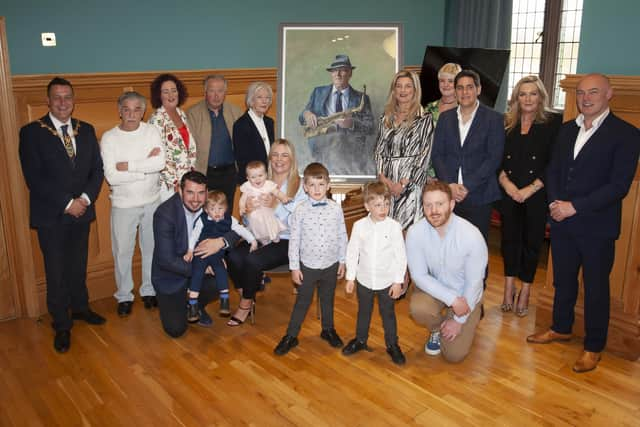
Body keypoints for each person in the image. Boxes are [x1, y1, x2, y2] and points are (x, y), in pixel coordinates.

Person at [527, 73, 640, 373]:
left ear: (609, 95)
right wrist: (555, 203)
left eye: (593, 92)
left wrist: (574, 207)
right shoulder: (565, 130)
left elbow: (618, 186)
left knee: (595, 288)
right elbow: (552, 170)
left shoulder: (626, 134)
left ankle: (593, 347)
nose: (585, 98)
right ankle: (560, 327)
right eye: (580, 93)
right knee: (563, 281)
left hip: (596, 227)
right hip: (561, 222)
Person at [19, 77, 105, 353]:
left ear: (73, 100)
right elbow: (35, 177)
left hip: (82, 211)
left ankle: (80, 308)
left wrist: (85, 200)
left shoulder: (87, 130)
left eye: (67, 97)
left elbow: (97, 171)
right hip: (52, 215)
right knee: (55, 271)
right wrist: (67, 203)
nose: (62, 102)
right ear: (48, 101)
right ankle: (61, 323)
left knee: (78, 265)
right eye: (57, 97)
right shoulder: (32, 132)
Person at [431, 69, 505, 299]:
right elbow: (438, 155)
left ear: (479, 90)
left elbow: (493, 158)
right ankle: (452, 297)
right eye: (460, 87)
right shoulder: (445, 118)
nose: (464, 92)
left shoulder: (493, 119)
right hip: (449, 197)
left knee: (476, 251)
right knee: (450, 249)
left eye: (469, 87)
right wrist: (451, 185)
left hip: (479, 196)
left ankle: (474, 301)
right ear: (455, 91)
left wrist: (467, 185)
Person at [498, 76, 562, 317]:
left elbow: (555, 163)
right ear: (516, 98)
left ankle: (525, 289)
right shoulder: (506, 123)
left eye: (533, 94)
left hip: (536, 193)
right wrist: (506, 183)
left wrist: (531, 188)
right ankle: (508, 287)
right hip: (509, 191)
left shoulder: (553, 123)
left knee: (532, 243)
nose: (527, 98)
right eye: (523, 94)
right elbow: (497, 157)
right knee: (509, 241)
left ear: (541, 97)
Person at [225, 139, 307, 326]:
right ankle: (247, 293)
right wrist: (248, 211)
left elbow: (303, 220)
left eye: (284, 155)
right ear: (270, 158)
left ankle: (245, 305)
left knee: (253, 260)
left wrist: (277, 205)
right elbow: (247, 222)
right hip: (260, 235)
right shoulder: (258, 181)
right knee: (233, 256)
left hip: (285, 239)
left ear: (292, 159)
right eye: (275, 154)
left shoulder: (300, 185)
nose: (279, 159)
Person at [151, 171, 240, 337]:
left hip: (198, 269)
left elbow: (235, 231)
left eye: (200, 193)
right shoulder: (164, 214)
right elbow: (166, 260)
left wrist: (221, 242)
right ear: (179, 190)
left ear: (207, 193)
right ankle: (179, 303)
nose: (196, 199)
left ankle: (195, 304)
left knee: (219, 277)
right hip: (171, 276)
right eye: (190, 192)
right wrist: (204, 269)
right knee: (176, 330)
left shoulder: (211, 206)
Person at [407, 181, 487, 363]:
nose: (434, 210)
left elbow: (474, 283)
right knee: (418, 309)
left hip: (466, 296)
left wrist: (459, 321)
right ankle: (436, 329)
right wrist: (451, 299)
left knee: (454, 355)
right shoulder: (415, 232)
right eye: (428, 205)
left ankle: (471, 315)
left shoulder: (471, 235)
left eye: (440, 204)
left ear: (451, 204)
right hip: (436, 290)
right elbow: (419, 276)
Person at [101, 91, 165, 316]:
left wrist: (127, 166)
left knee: (151, 248)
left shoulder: (151, 131)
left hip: (152, 201)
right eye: (126, 109)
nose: (131, 114)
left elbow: (160, 163)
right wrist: (143, 168)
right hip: (123, 204)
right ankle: (124, 295)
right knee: (123, 252)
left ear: (143, 111)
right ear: (119, 111)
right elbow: (112, 176)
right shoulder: (109, 138)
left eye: (137, 109)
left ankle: (149, 290)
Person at [274, 163, 347, 356]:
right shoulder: (300, 210)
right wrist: (294, 267)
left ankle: (328, 329)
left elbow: (342, 234)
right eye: (312, 185)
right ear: (305, 186)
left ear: (328, 185)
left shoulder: (335, 209)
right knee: (302, 302)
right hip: (308, 266)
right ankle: (291, 335)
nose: (316, 189)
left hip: (331, 264)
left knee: (327, 299)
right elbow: (294, 240)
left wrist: (342, 260)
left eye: (321, 184)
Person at [342, 181, 407, 365]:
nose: (383, 208)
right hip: (364, 280)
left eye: (386, 203)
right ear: (367, 206)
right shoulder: (359, 226)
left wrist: (397, 281)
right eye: (378, 205)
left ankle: (392, 345)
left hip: (387, 282)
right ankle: (360, 340)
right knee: (364, 311)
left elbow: (401, 256)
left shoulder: (394, 227)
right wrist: (350, 277)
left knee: (388, 314)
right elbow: (352, 252)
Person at [374, 70, 435, 230]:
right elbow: (379, 151)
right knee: (386, 231)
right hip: (386, 183)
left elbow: (424, 154)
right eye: (398, 86)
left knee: (409, 232)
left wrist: (403, 183)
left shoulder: (425, 118)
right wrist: (384, 180)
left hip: (411, 184)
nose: (403, 90)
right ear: (393, 90)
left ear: (415, 90)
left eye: (408, 86)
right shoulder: (385, 118)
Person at [185, 191, 256, 319]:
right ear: (206, 210)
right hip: (201, 253)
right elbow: (194, 235)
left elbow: (241, 230)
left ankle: (224, 301)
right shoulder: (202, 220)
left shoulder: (230, 220)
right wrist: (190, 250)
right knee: (198, 272)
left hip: (217, 255)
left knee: (221, 271)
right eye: (212, 209)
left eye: (220, 208)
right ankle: (193, 304)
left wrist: (252, 240)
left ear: (226, 208)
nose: (217, 212)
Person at [299, 54, 374, 173]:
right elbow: (302, 117)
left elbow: (370, 128)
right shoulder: (318, 92)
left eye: (343, 70)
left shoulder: (362, 99)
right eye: (334, 70)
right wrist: (306, 114)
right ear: (331, 73)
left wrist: (352, 124)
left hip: (350, 159)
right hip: (321, 154)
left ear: (350, 73)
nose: (338, 74)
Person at [187, 75, 242, 212]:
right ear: (205, 92)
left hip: (229, 172)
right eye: (212, 91)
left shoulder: (236, 112)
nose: (216, 95)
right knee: (205, 212)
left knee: (226, 211)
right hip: (205, 173)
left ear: (225, 93)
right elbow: (189, 148)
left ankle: (225, 234)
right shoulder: (193, 114)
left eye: (220, 91)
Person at [148, 73, 196, 202]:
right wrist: (175, 182)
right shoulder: (156, 119)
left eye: (174, 91)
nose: (171, 95)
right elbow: (158, 154)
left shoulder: (181, 113)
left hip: (186, 179)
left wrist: (189, 178)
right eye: (166, 92)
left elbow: (188, 147)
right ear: (159, 95)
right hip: (169, 185)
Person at [239, 161, 292, 245]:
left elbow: (277, 192)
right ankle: (262, 240)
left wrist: (283, 198)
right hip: (254, 214)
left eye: (260, 175)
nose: (257, 179)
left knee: (270, 222)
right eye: (253, 177)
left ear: (266, 175)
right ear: (248, 178)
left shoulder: (268, 184)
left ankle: (274, 235)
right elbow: (242, 199)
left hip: (266, 211)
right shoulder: (247, 187)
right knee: (256, 226)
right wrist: (242, 208)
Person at [233, 81, 275, 184]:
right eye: (260, 97)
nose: (264, 101)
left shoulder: (269, 122)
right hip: (252, 181)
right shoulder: (241, 125)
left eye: (267, 98)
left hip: (269, 178)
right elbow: (242, 160)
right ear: (251, 100)